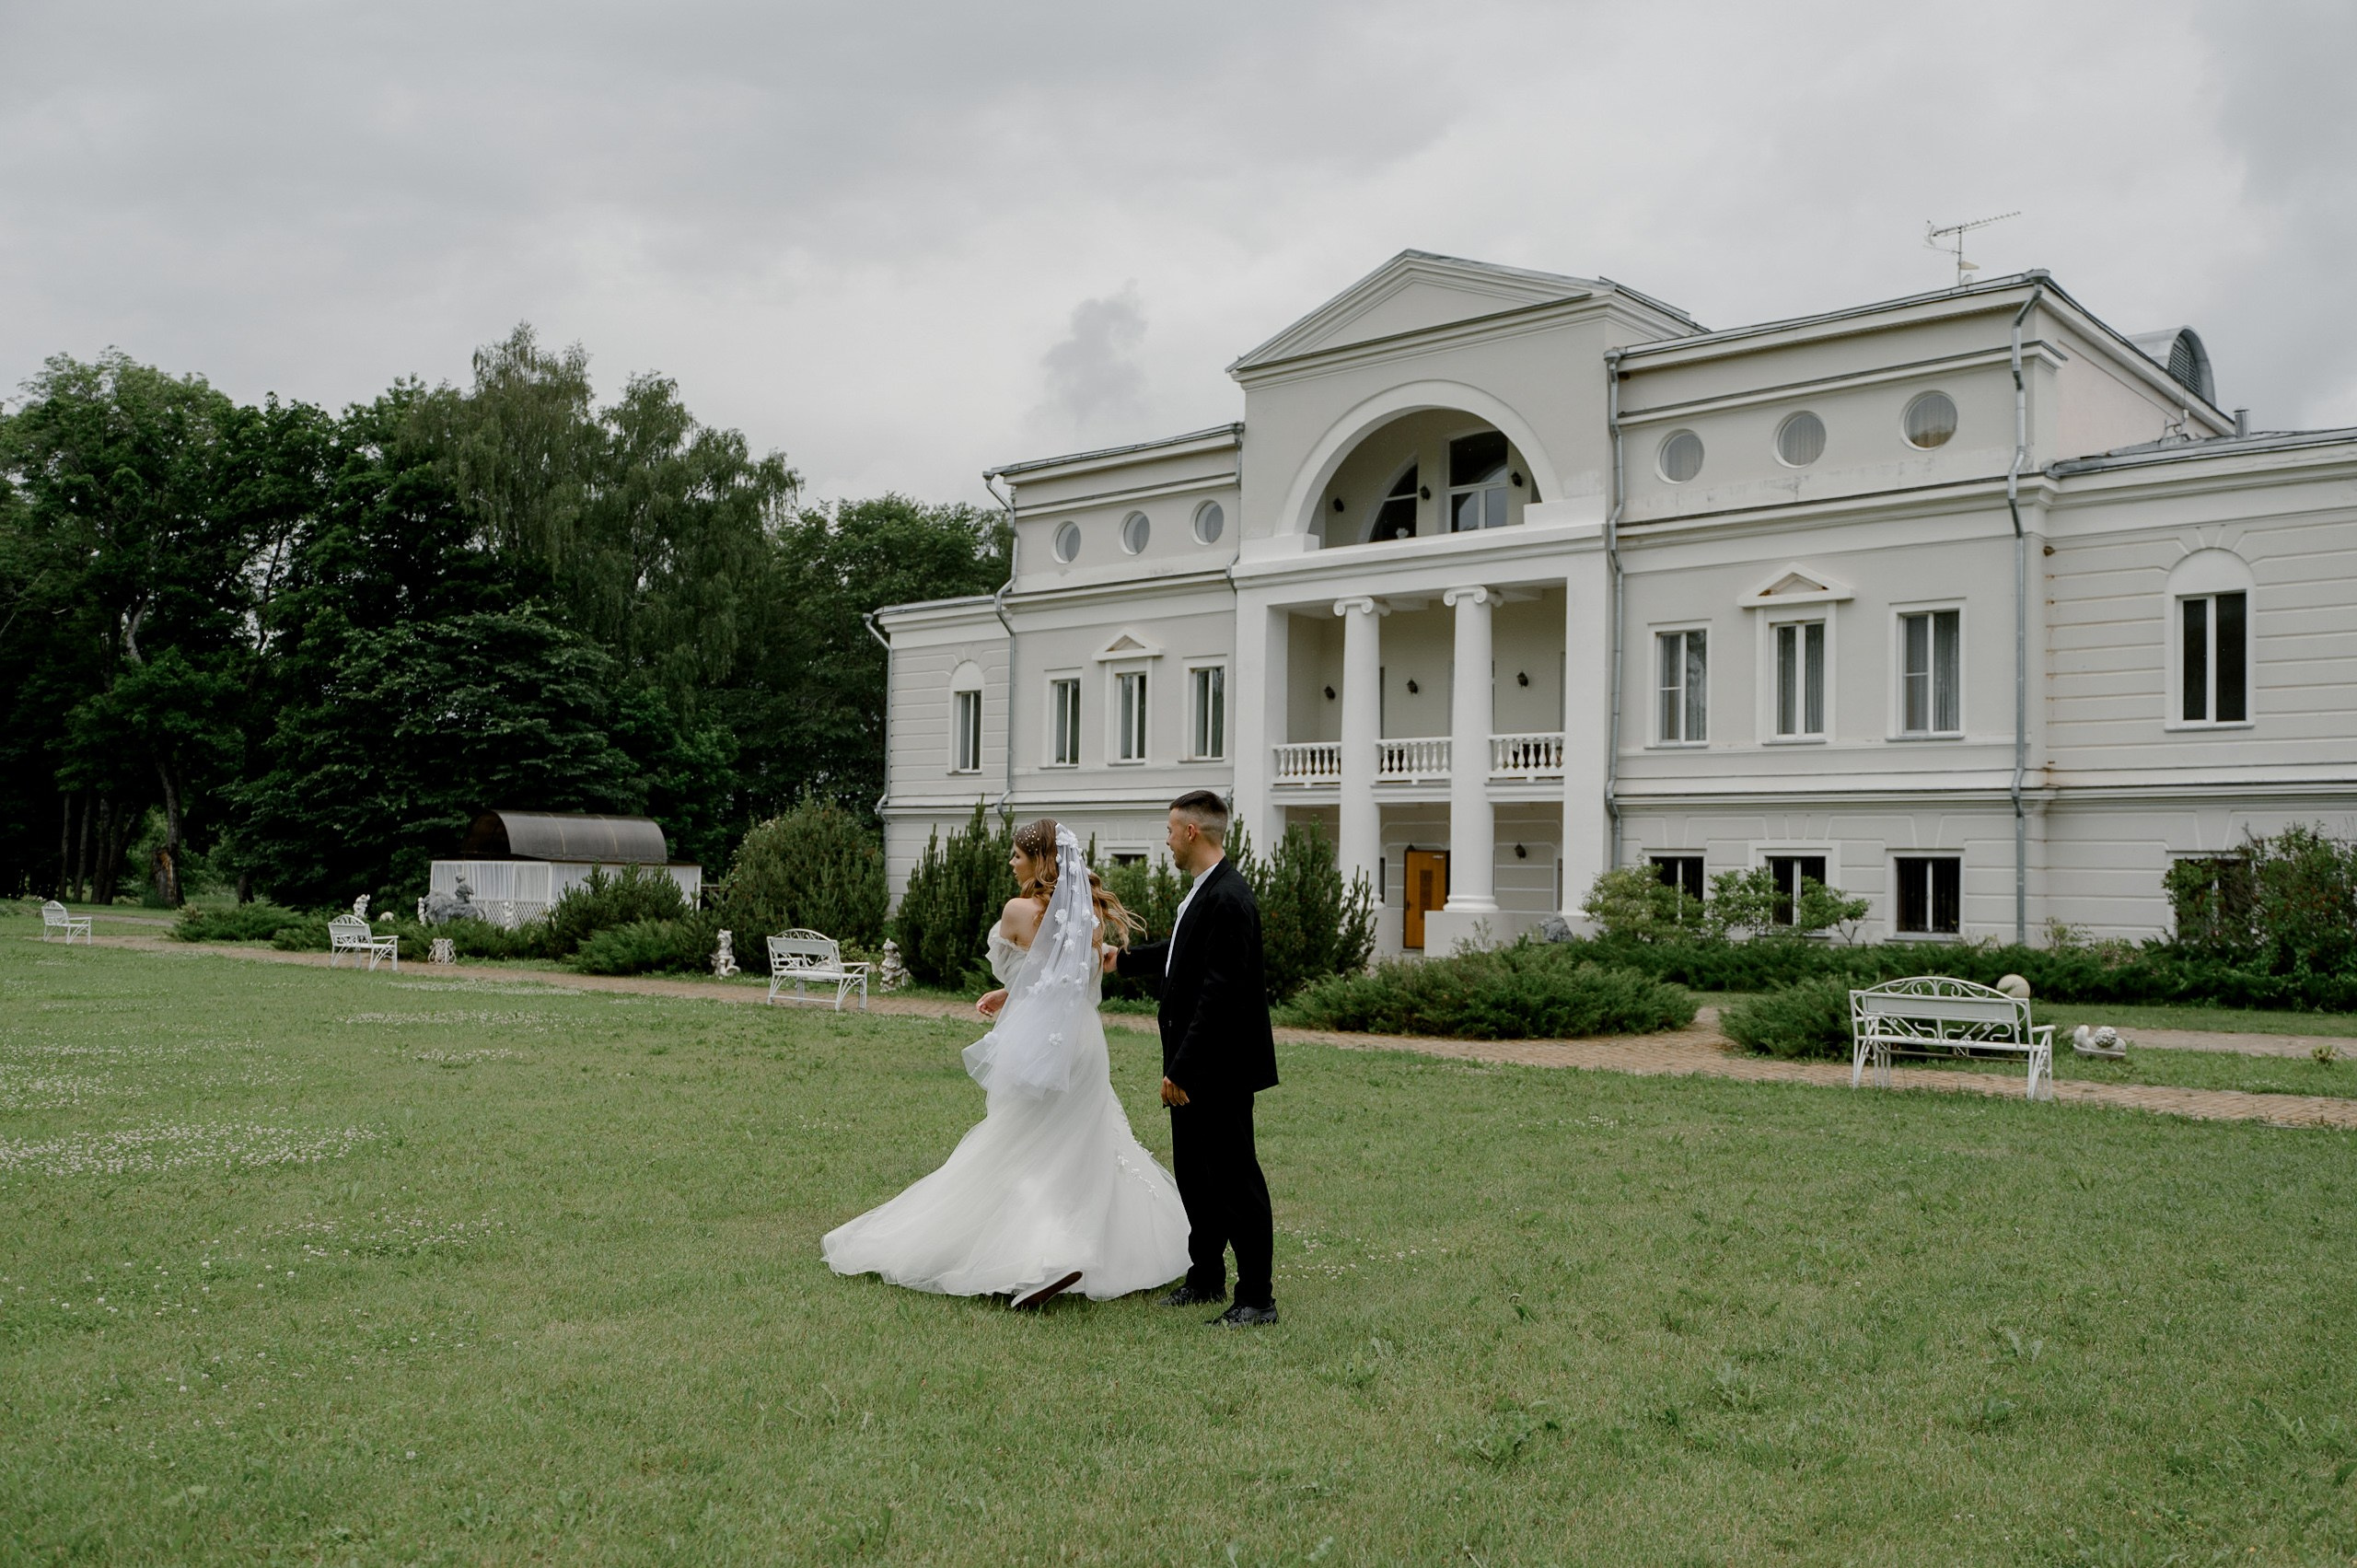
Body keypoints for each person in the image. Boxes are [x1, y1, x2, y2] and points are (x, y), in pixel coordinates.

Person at [821, 819, 1190, 1309]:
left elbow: (1036, 972)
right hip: (1083, 1040)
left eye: (1017, 855)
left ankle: (1048, 1257)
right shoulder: (1089, 914)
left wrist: (1010, 990)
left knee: (1018, 1144)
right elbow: (1064, 979)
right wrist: (1011, 992)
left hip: (1038, 1039)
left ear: (1040, 861)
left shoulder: (1018, 910)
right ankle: (1086, 1248)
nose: (1010, 863)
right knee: (1080, 1143)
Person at [1115, 790, 1280, 1328]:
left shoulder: (1230, 896)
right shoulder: (1204, 893)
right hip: (1194, 1063)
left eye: (1168, 831)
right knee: (1195, 1176)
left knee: (1234, 1178)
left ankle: (1256, 1298)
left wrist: (1182, 1069)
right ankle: (1205, 1275)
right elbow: (1181, 952)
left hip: (1218, 1067)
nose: (1165, 841)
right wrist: (1123, 960)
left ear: (1191, 832)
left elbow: (1220, 990)